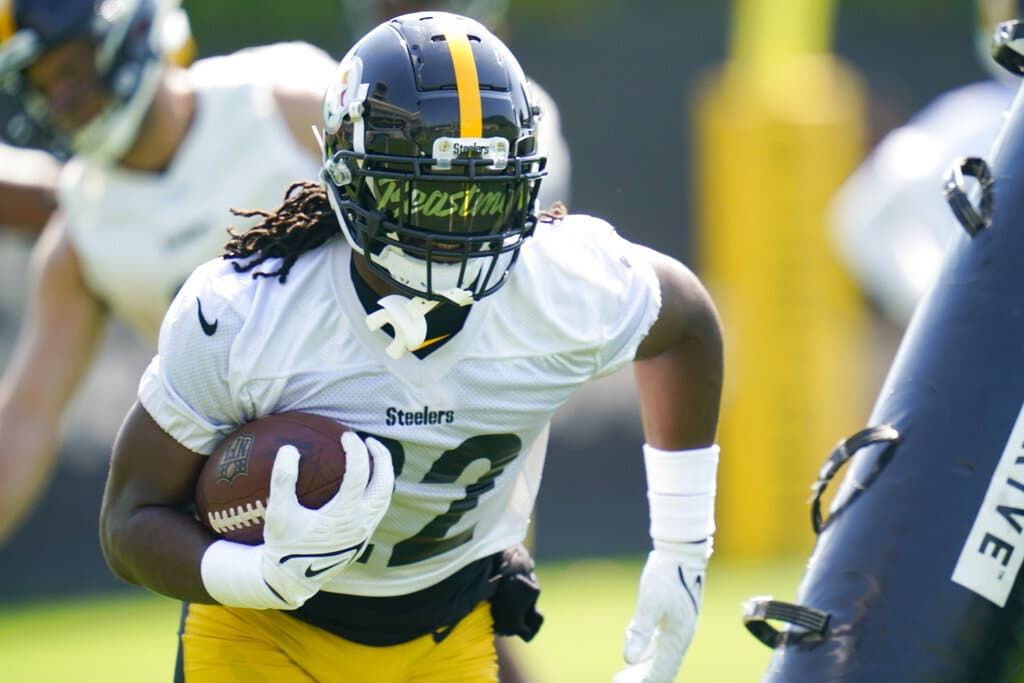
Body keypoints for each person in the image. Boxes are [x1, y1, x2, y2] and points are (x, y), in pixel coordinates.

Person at [99, 11, 723, 683]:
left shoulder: (557, 283)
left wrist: (681, 548)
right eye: (417, 190)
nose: (451, 232)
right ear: (351, 177)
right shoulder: (248, 312)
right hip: (264, 633)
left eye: (478, 197)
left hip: (444, 635)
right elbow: (130, 518)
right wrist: (250, 574)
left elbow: (686, 322)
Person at [0, 0, 338, 544]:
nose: (61, 98)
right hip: (254, 500)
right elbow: (27, 419)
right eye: (43, 85)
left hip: (391, 416)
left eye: (70, 68)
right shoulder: (82, 232)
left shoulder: (282, 102)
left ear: (129, 34)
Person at [829, 0, 1021, 327]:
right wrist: (942, 297)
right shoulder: (979, 117)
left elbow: (861, 214)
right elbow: (863, 214)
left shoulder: (973, 117)